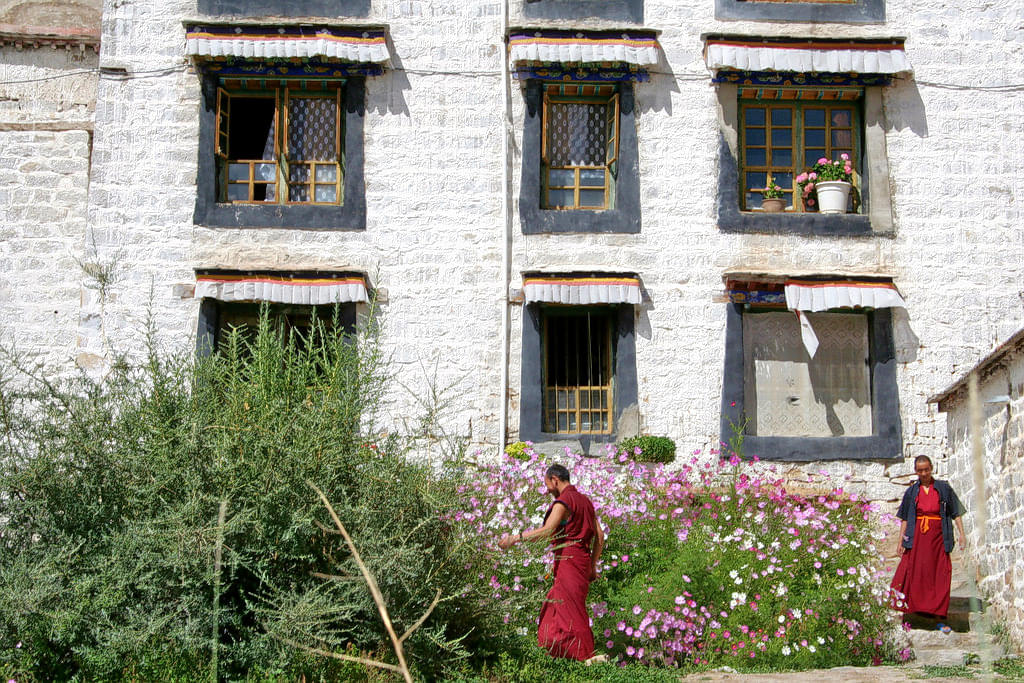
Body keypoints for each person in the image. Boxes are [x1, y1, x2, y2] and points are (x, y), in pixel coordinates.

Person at [498, 463, 604, 661]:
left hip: (568, 561)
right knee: (554, 608)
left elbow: (547, 531)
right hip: (581, 561)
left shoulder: (563, 503)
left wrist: (515, 538)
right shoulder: (585, 501)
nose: (547, 490)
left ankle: (585, 657)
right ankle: (555, 652)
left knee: (572, 612)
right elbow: (600, 535)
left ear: (555, 480)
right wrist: (592, 565)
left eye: (547, 485)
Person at [890, 455, 966, 624]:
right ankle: (916, 606)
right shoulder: (912, 492)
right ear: (916, 471)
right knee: (917, 571)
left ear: (932, 468)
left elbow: (956, 513)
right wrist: (901, 540)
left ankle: (937, 609)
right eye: (920, 470)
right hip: (917, 537)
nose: (923, 473)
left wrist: (962, 534)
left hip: (939, 537)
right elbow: (905, 518)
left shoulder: (943, 489)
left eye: (926, 469)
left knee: (939, 571)